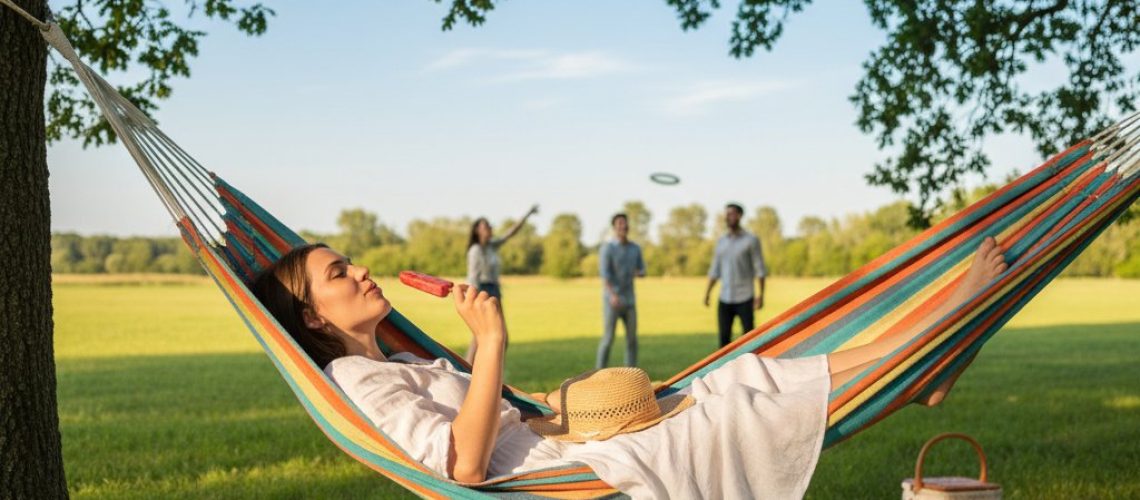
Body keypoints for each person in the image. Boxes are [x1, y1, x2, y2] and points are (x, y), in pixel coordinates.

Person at [251, 237, 1006, 499]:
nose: (360, 272)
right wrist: (493, 343)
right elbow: (464, 464)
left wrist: (478, 349)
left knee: (738, 377)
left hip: (563, 441)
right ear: (313, 317)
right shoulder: (356, 382)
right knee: (740, 391)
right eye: (338, 273)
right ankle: (922, 353)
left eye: (350, 262)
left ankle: (916, 364)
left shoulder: (386, 359)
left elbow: (484, 408)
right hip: (564, 472)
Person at [465, 205, 538, 363]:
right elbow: (473, 277)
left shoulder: (492, 245)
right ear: (477, 231)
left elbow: (511, 233)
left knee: (501, 337)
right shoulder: (475, 250)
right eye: (486, 226)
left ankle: (489, 371)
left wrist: (527, 214)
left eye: (490, 226)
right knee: (481, 336)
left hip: (494, 290)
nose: (490, 228)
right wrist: (475, 299)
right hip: (482, 291)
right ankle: (469, 371)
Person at [705, 203, 767, 348]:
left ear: (739, 216)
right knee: (724, 341)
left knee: (750, 341)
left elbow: (760, 269)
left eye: (731, 213)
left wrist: (761, 294)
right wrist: (707, 293)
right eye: (727, 214)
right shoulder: (721, 241)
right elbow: (715, 270)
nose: (728, 217)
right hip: (725, 298)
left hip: (745, 297)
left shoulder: (751, 240)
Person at [596, 213, 647, 369]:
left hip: (629, 300)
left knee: (632, 339)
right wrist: (612, 295)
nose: (622, 226)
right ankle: (598, 372)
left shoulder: (635, 248)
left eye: (624, 223)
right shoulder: (607, 248)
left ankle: (631, 373)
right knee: (608, 338)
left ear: (628, 226)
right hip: (612, 301)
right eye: (619, 224)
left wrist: (638, 273)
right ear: (614, 227)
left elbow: (643, 270)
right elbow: (605, 275)